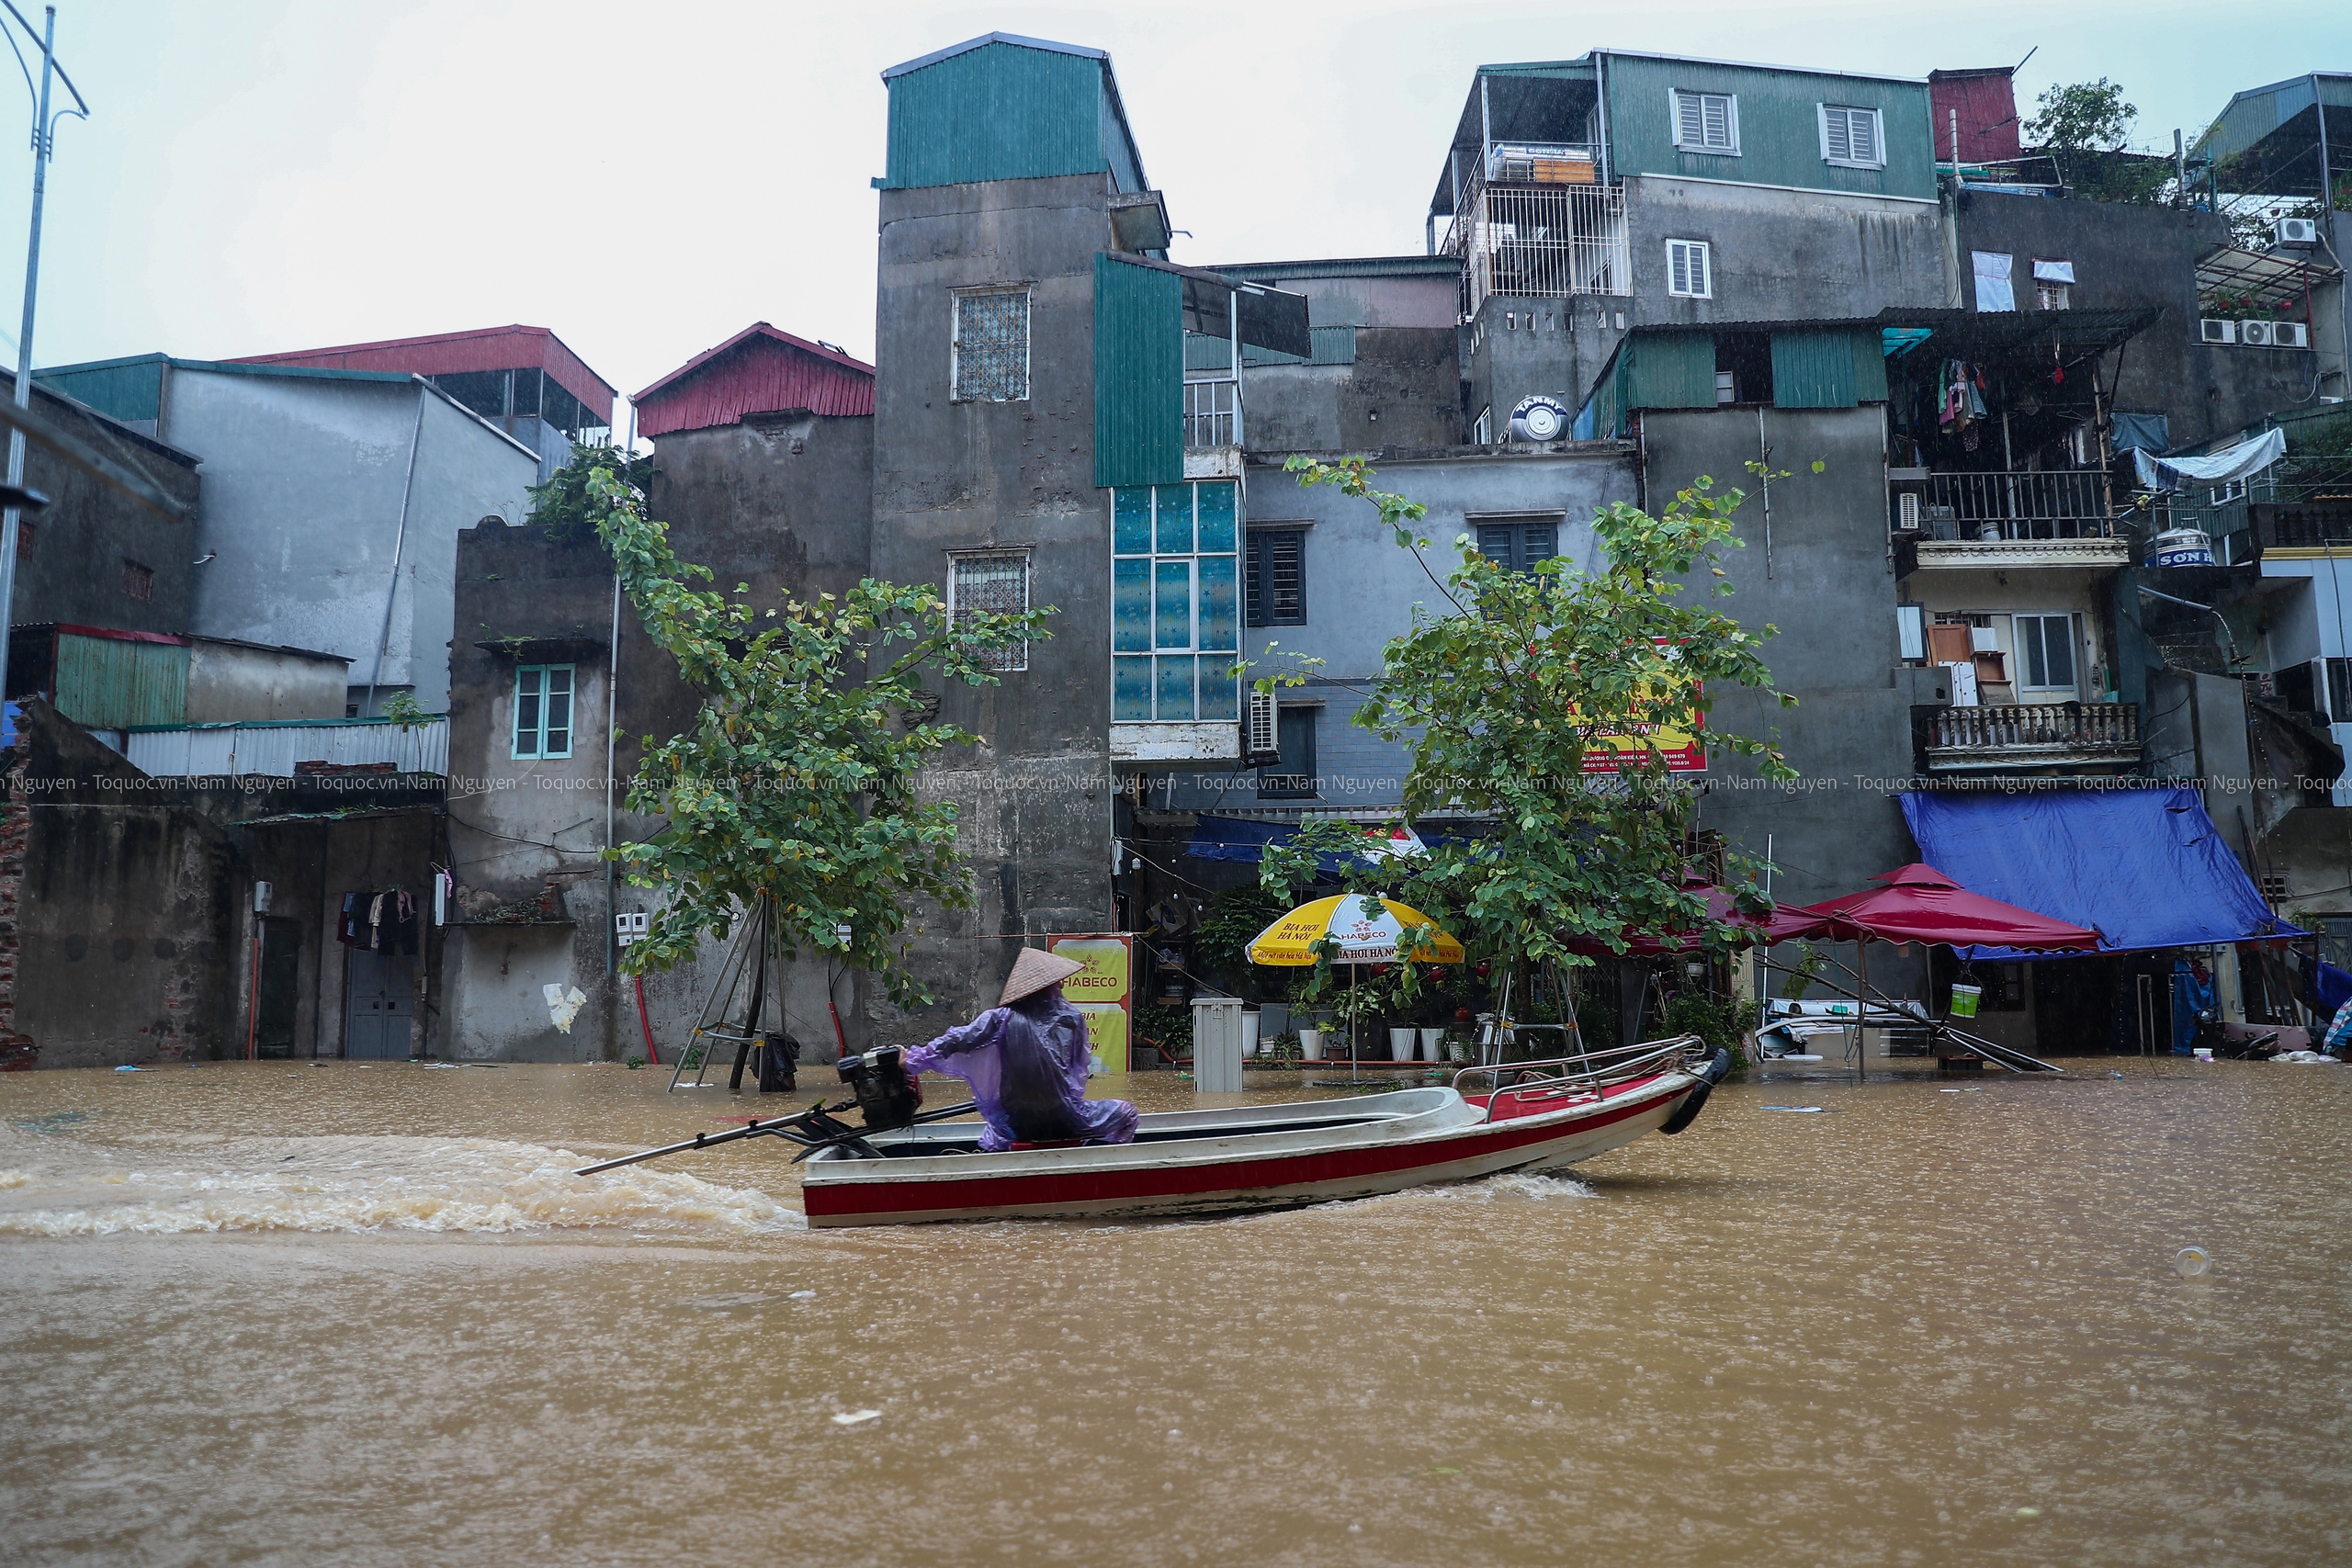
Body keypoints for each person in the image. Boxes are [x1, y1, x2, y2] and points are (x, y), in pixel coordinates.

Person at [904, 948, 1138, 1153]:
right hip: (1067, 1117)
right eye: (1058, 981)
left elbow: (955, 1040)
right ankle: (1104, 1161)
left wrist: (913, 1060)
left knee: (994, 1129)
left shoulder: (999, 1018)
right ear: (1048, 986)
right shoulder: (1072, 1018)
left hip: (1017, 1122)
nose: (1063, 984)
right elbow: (1078, 1075)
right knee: (1129, 1114)